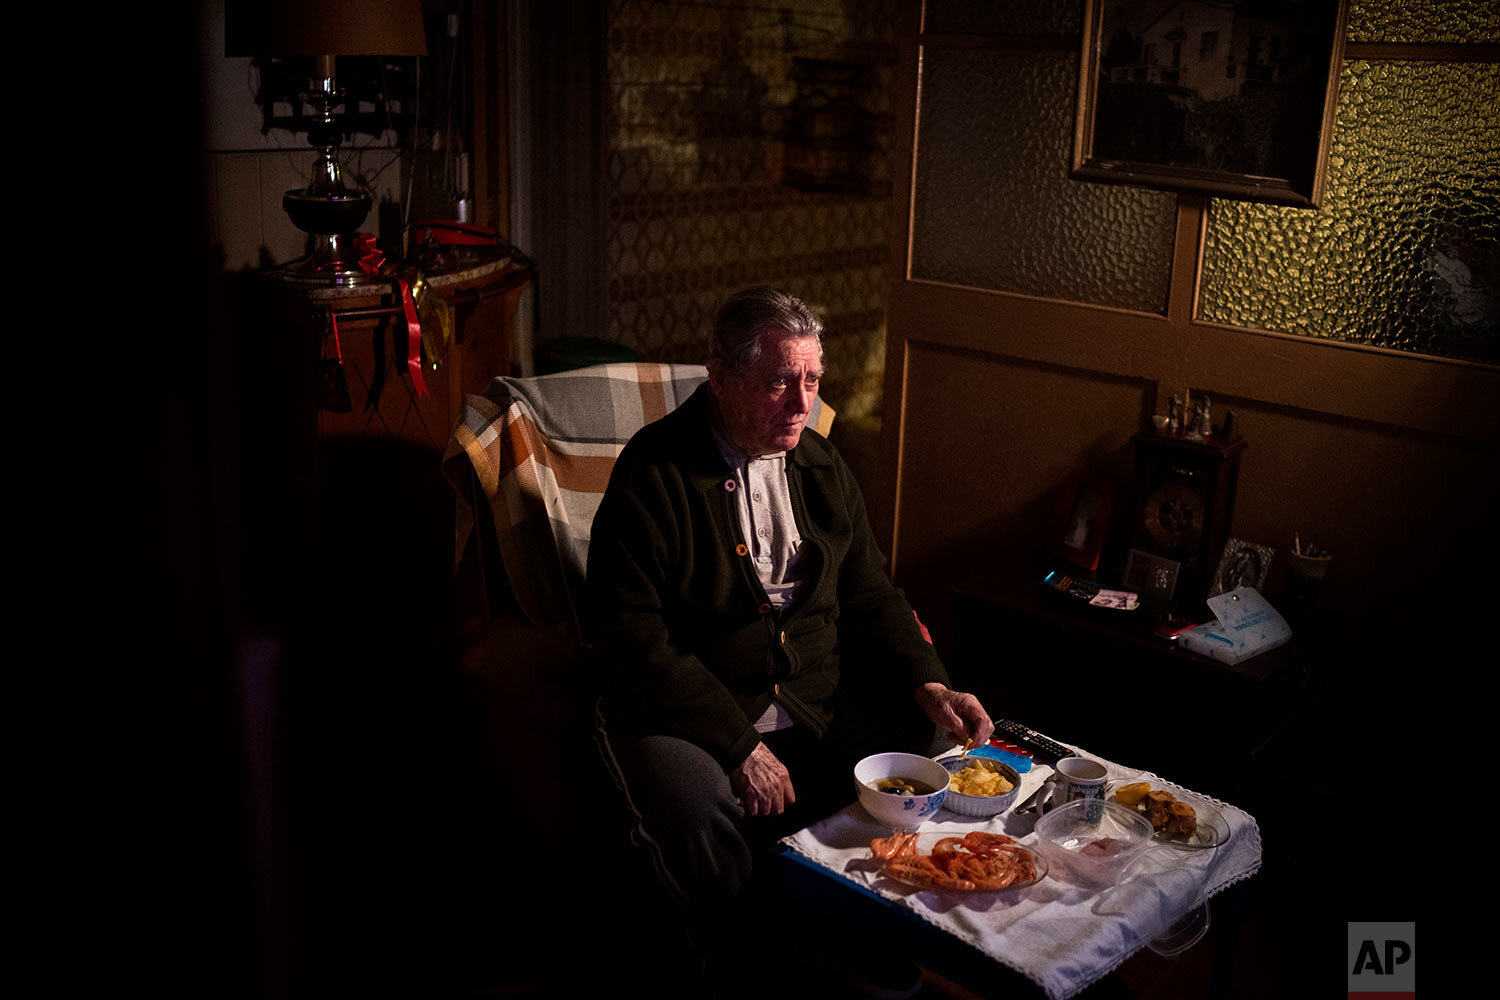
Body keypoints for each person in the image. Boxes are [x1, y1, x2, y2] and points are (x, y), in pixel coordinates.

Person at [587, 286, 993, 992]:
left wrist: (930, 682)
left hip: (812, 698)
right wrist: (739, 745)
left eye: (811, 380)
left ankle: (858, 920)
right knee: (693, 801)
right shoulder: (653, 474)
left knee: (924, 746)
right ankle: (748, 955)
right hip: (693, 711)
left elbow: (870, 591)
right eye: (778, 381)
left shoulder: (821, 467)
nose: (800, 403)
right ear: (720, 378)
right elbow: (632, 637)